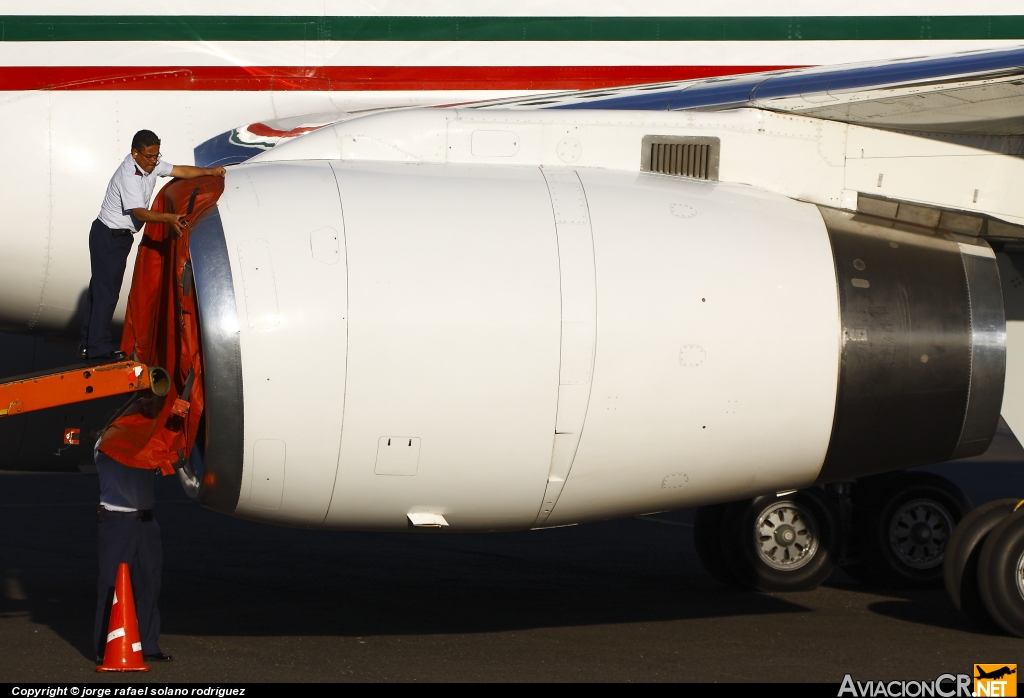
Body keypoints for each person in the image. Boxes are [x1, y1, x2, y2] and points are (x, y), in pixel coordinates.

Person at [79, 129, 225, 362]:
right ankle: (98, 348)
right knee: (106, 293)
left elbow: (181, 171)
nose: (154, 161)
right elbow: (140, 213)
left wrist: (210, 171)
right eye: (149, 156)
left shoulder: (150, 165)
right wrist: (169, 218)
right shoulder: (129, 176)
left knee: (99, 290)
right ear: (134, 153)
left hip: (117, 236)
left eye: (156, 156)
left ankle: (87, 344)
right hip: (108, 236)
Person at [93, 437, 171, 664]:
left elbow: (169, 463)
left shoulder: (146, 444)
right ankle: (103, 646)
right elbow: (132, 454)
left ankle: (147, 644)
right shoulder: (105, 444)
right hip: (118, 521)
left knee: (150, 585)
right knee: (110, 585)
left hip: (146, 521)